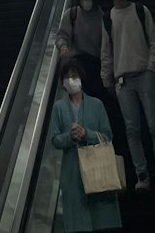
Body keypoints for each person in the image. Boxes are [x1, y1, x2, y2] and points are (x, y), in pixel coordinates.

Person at [100, 0, 155, 193]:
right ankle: (142, 175)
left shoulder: (141, 10)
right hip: (123, 81)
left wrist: (151, 68)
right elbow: (106, 52)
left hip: (144, 75)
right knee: (132, 130)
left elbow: (154, 41)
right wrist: (107, 78)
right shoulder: (107, 17)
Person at [50, 56, 121, 231]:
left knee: (101, 220)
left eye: (74, 76)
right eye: (66, 78)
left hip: (98, 167)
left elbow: (107, 136)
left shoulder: (97, 105)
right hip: (72, 169)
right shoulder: (59, 108)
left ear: (81, 77)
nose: (70, 81)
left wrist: (86, 134)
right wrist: (71, 137)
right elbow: (55, 139)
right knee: (77, 220)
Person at [55, 0, 104, 97]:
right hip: (76, 65)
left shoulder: (101, 16)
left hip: (95, 65)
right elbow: (62, 35)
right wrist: (63, 46)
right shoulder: (72, 14)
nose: (86, 1)